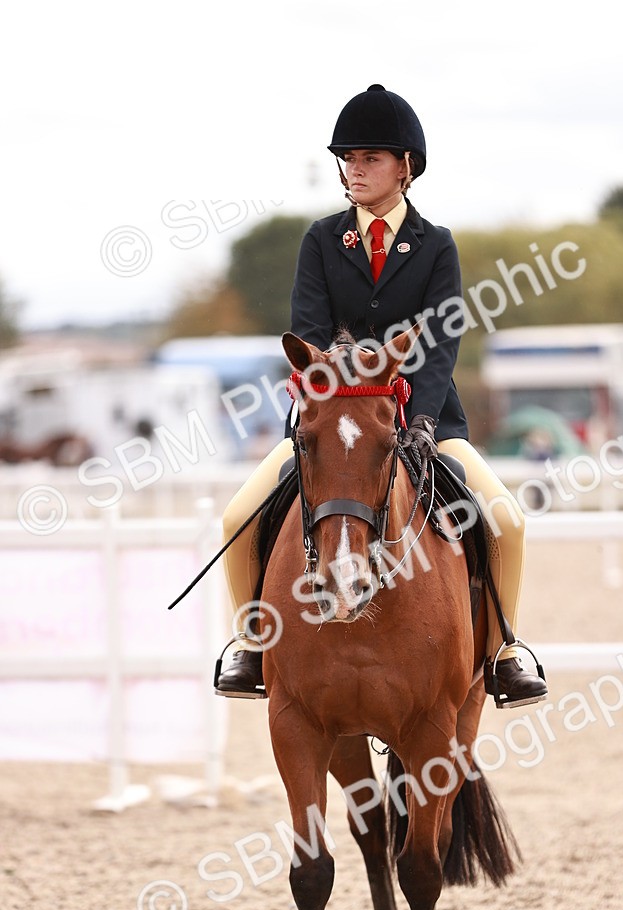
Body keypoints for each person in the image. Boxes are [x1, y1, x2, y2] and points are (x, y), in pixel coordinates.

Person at [216, 83, 547, 708]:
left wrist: (419, 420)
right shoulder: (321, 240)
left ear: (406, 167)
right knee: (237, 517)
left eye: (370, 158)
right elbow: (309, 334)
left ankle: (504, 650)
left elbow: (441, 343)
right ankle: (252, 643)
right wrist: (325, 400)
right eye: (349, 158)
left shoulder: (436, 245)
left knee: (506, 519)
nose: (355, 169)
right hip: (332, 426)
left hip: (426, 422)